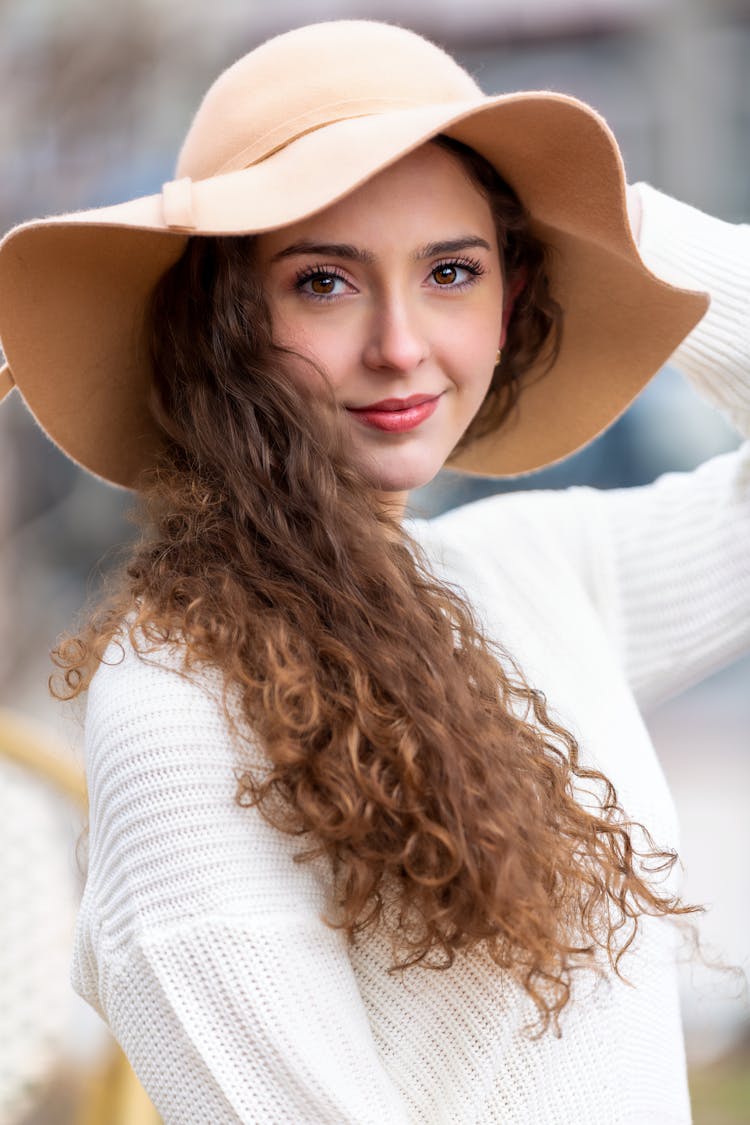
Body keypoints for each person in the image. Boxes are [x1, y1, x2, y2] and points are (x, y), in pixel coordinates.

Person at [0, 18, 747, 1125]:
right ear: (222, 321)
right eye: (325, 283)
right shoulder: (176, 706)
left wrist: (600, 209)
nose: (401, 343)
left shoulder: (540, 572)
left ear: (515, 297)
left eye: (453, 271)